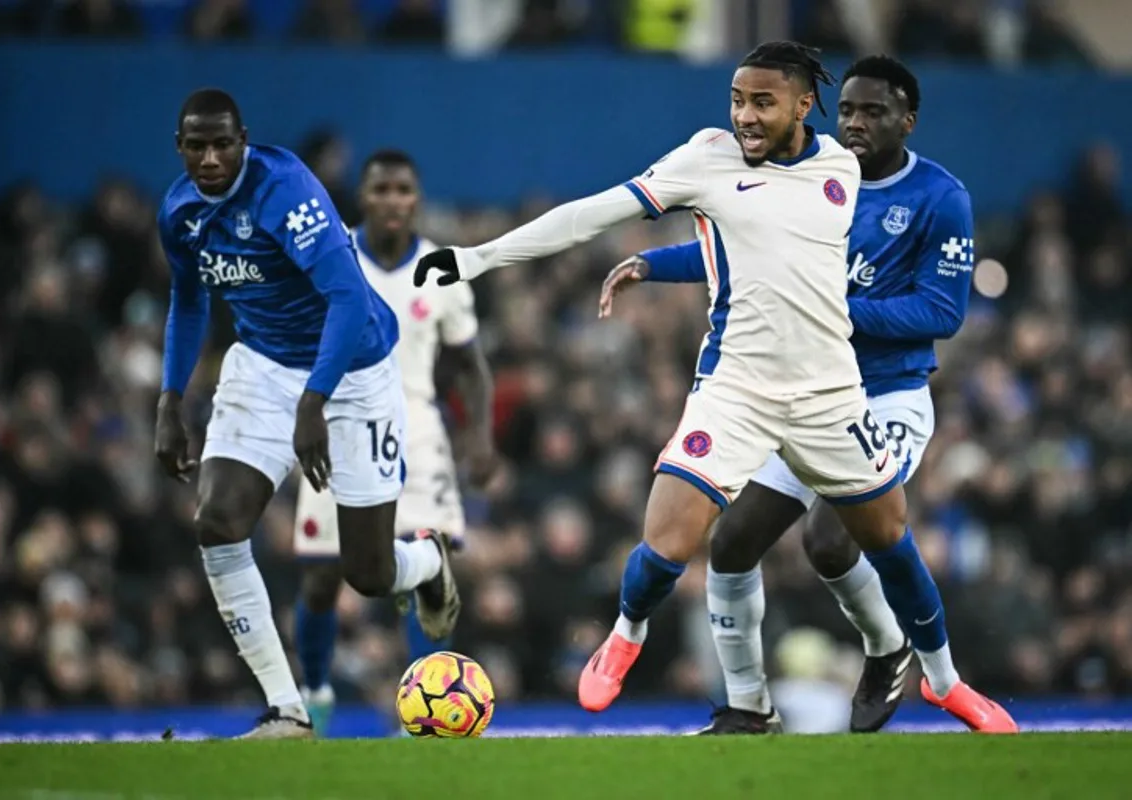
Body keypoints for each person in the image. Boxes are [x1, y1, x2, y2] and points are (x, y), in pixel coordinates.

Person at [414, 42, 1017, 733]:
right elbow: (594, 215)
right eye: (737, 99)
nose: (745, 116)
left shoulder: (843, 171)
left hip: (835, 396)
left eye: (762, 102)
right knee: (676, 540)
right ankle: (629, 635)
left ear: (801, 105)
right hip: (738, 389)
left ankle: (942, 681)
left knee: (883, 538)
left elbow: (790, 250)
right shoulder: (707, 158)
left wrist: (821, 309)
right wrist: (478, 257)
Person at [599, 55, 977, 734]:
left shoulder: (939, 197)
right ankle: (748, 708)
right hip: (796, 393)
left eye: (875, 112)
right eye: (850, 111)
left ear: (908, 121)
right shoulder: (810, 177)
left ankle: (888, 649)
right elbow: (741, 257)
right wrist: (651, 263)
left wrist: (829, 310)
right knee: (734, 540)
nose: (857, 124)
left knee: (832, 539)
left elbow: (942, 313)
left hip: (884, 397)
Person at [155, 90, 459, 739]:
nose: (210, 158)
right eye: (196, 146)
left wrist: (313, 404)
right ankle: (286, 708)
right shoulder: (179, 212)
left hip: (353, 372)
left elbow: (348, 300)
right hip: (262, 366)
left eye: (222, 144)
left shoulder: (286, 189)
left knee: (368, 574)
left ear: (244, 140)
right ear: (179, 148)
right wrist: (170, 400)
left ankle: (427, 561)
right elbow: (188, 303)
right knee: (217, 521)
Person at [291, 150, 495, 733]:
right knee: (324, 574)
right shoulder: (334, 257)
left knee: (428, 565)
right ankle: (315, 697)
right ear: (363, 196)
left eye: (403, 189)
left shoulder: (441, 268)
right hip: (340, 424)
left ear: (417, 198)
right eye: (380, 189)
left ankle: (424, 716)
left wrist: (480, 437)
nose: (391, 200)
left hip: (418, 430)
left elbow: (469, 365)